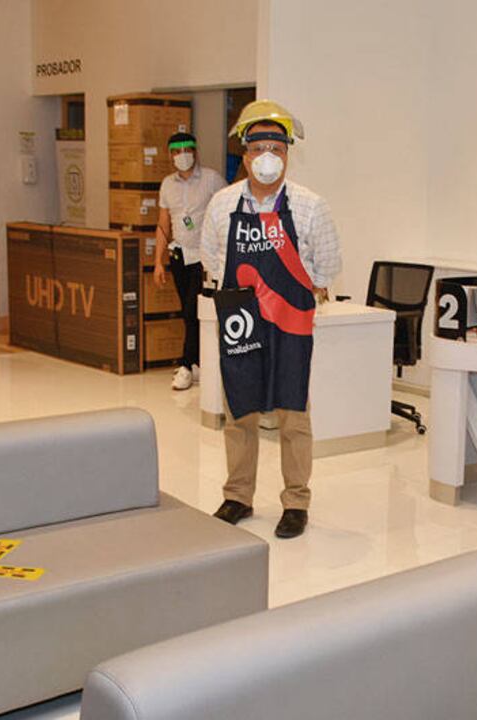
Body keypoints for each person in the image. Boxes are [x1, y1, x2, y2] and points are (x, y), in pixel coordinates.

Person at [202, 100, 341, 539]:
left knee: (293, 412)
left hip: (289, 319)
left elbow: (328, 266)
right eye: (258, 148)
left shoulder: (310, 206)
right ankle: (238, 496)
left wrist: (299, 291)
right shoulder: (222, 204)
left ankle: (296, 502)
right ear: (244, 156)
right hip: (241, 318)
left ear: (287, 155)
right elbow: (211, 258)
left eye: (276, 149)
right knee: (239, 409)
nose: (267, 157)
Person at [156, 131, 226, 390]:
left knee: (192, 311)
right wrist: (158, 261)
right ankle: (196, 361)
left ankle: (186, 365)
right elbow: (163, 224)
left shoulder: (212, 179)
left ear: (195, 152)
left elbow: (227, 210)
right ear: (170, 155)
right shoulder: (167, 184)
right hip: (179, 255)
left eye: (186, 150)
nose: (182, 155)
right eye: (176, 151)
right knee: (187, 313)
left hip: (203, 257)